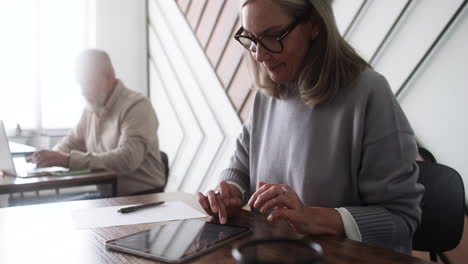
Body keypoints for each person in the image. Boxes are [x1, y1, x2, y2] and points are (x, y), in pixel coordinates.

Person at [198, 0, 424, 254]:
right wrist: (229, 191)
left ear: (314, 24)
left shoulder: (369, 93)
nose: (259, 55)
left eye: (272, 36)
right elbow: (240, 167)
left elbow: (401, 219)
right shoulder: (269, 93)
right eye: (250, 38)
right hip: (278, 254)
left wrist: (313, 218)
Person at [30, 49, 165, 196]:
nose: (82, 91)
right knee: (61, 212)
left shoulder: (137, 106)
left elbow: (127, 159)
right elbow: (69, 144)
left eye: (87, 82)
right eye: (80, 84)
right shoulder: (91, 108)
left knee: (66, 215)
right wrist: (47, 158)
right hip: (109, 198)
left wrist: (68, 161)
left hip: (142, 200)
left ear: (109, 76)